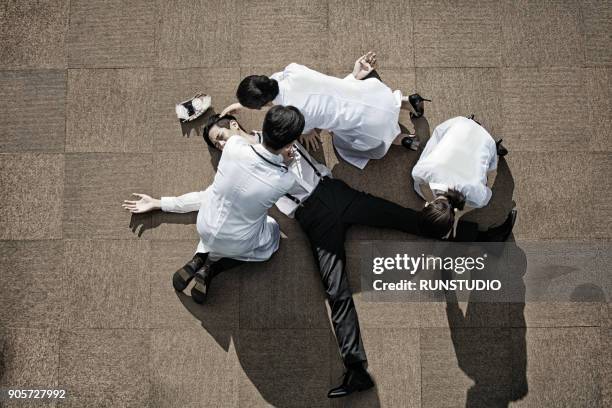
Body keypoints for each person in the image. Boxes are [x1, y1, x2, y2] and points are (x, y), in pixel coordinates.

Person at [200, 114, 517, 399]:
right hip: (312, 218)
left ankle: (485, 238)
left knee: (406, 219)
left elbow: (308, 106)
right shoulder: (238, 164)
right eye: (217, 145)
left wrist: (311, 130)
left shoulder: (276, 127)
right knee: (336, 290)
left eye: (221, 138)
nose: (222, 145)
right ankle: (356, 370)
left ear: (233, 125)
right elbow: (222, 201)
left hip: (334, 192)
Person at [121, 106, 305, 303]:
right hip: (238, 244)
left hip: (205, 227)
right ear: (290, 142)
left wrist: (159, 203)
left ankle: (200, 258)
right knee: (272, 235)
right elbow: (294, 186)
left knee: (214, 205)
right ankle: (212, 269)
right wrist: (286, 162)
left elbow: (203, 197)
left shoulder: (233, 146)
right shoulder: (285, 180)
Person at [220, 52, 424, 169]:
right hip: (376, 95)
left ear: (261, 105)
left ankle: (401, 139)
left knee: (341, 143)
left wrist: (307, 132)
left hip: (371, 125)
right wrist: (242, 104)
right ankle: (408, 101)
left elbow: (303, 125)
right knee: (354, 96)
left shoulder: (293, 114)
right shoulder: (292, 69)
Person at [412, 115, 515, 239]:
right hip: (459, 124)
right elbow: (424, 184)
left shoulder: (475, 194)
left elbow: (487, 194)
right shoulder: (419, 172)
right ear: (427, 206)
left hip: (486, 141)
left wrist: (459, 213)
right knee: (418, 184)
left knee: (479, 199)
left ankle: (489, 148)